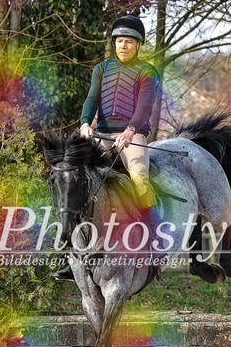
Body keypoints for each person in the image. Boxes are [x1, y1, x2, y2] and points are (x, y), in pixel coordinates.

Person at [54, 15, 160, 282]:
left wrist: (130, 130)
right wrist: (85, 123)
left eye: (129, 42)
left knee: (139, 177)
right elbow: (91, 98)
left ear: (138, 45)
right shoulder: (101, 69)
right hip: (101, 134)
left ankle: (153, 243)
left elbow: (145, 106)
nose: (123, 45)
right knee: (73, 179)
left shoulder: (147, 71)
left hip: (132, 136)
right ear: (114, 43)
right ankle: (71, 255)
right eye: (120, 41)